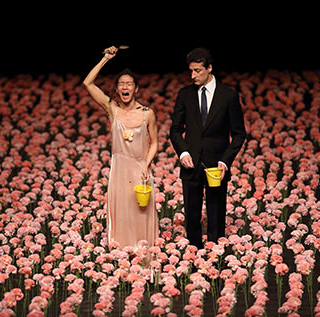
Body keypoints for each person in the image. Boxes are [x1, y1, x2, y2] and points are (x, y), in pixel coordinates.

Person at [83, 46, 159, 258]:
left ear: (136, 89)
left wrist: (146, 165)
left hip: (140, 171)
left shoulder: (147, 114)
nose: (125, 87)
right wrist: (105, 59)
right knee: (122, 216)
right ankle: (122, 261)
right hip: (119, 172)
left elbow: (155, 143)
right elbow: (87, 83)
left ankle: (145, 261)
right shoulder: (112, 109)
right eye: (121, 84)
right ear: (117, 90)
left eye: (129, 84)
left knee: (141, 216)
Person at [170, 47, 246, 249]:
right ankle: (193, 261)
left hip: (216, 168)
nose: (193, 75)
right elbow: (175, 129)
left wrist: (225, 161)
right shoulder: (185, 94)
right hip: (191, 165)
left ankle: (215, 260)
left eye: (198, 71)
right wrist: (183, 152)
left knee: (216, 217)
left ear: (209, 68)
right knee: (192, 219)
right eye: (191, 71)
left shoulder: (228, 95)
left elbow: (239, 133)